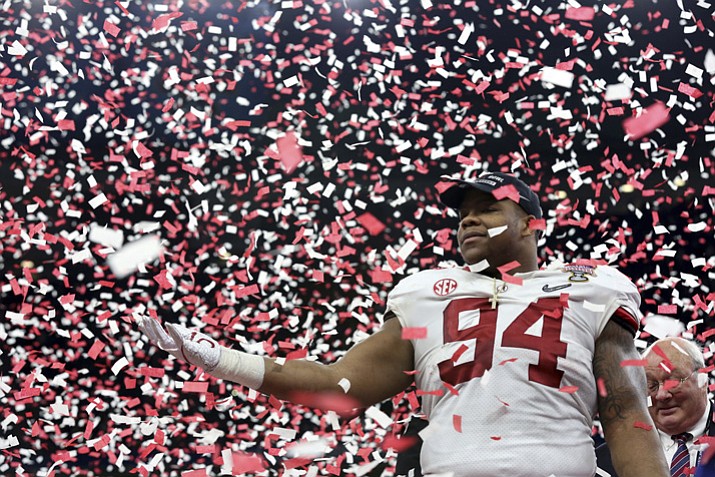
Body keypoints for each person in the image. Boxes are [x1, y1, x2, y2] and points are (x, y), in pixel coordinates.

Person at [139, 171, 670, 477]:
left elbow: (625, 410)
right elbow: (339, 386)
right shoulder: (426, 295)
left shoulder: (592, 287)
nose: (467, 219)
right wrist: (219, 359)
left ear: (531, 224)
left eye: (486, 209)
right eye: (462, 212)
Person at [596, 337, 714, 477]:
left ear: (702, 380)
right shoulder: (604, 462)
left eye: (673, 381)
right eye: (651, 386)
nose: (661, 395)